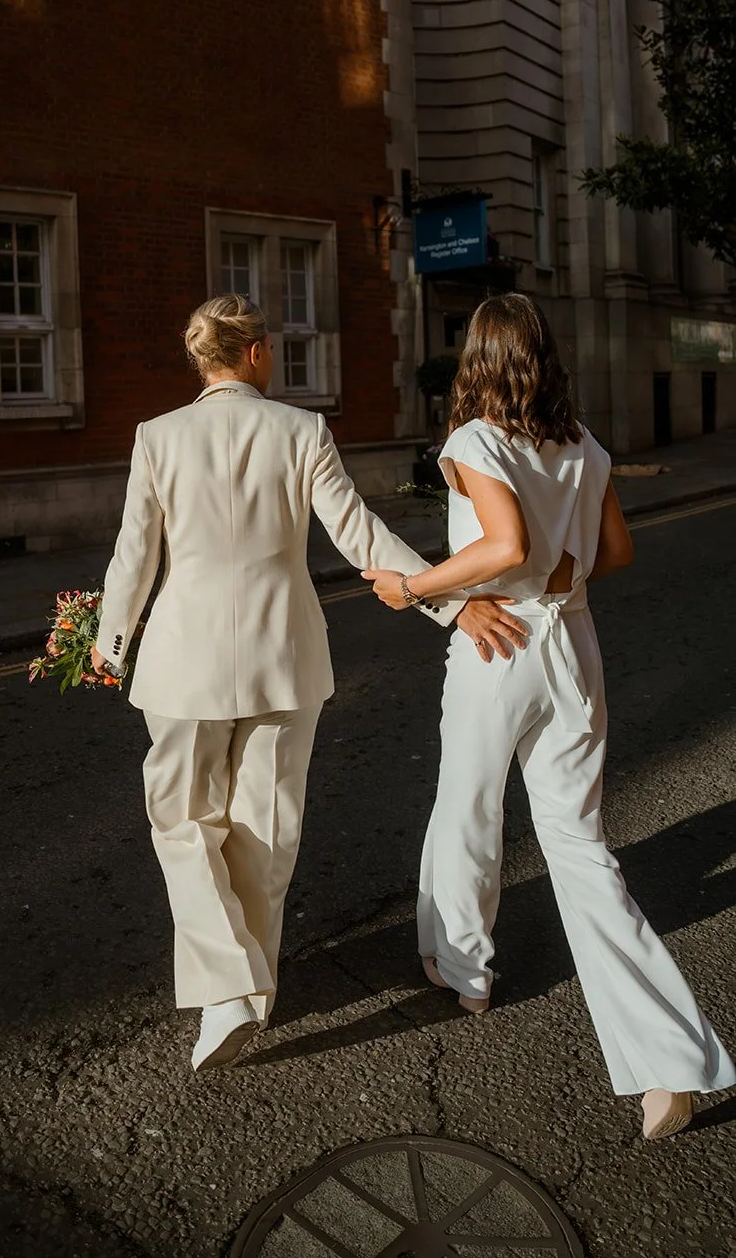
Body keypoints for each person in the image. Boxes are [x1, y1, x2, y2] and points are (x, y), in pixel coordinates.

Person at [91, 294, 524, 1072]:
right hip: (284, 655)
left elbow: (135, 553)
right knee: (266, 825)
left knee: (181, 822)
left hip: (182, 658)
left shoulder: (156, 436)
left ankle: (228, 989)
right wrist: (450, 602)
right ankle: (248, 996)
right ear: (255, 353)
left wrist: (110, 641)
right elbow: (359, 531)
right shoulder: (299, 429)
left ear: (203, 360)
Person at [364, 293, 734, 1139]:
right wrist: (555, 595)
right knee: (578, 847)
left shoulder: (471, 440)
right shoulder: (582, 443)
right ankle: (666, 1068)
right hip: (573, 644)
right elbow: (616, 552)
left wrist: (411, 588)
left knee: (467, 808)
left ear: (477, 359)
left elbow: (502, 549)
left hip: (498, 647)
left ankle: (468, 973)